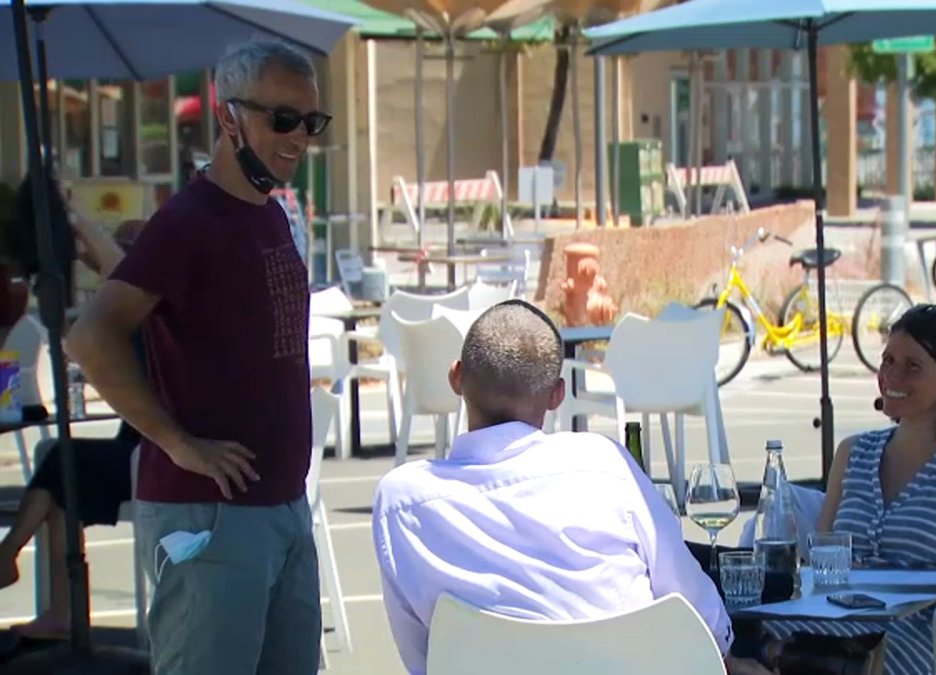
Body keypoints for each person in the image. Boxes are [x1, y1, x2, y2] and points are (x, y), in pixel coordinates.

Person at [65, 37, 328, 675]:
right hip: (210, 516)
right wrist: (178, 442)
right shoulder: (189, 220)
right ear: (228, 116)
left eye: (310, 122)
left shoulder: (268, 212)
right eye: (282, 119)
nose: (298, 137)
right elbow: (90, 338)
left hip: (282, 508)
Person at [372, 300, 764, 675]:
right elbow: (695, 608)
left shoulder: (401, 500)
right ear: (558, 394)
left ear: (456, 376)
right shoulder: (603, 463)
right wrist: (728, 653)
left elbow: (424, 660)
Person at [762, 304, 936, 675]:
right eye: (888, 360)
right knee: (725, 635)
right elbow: (820, 559)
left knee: (783, 656)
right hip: (832, 628)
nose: (892, 375)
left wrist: (874, 583)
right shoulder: (853, 452)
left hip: (916, 641)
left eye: (912, 366)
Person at [0, 213, 142, 640]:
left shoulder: (148, 309)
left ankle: (9, 552)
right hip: (140, 448)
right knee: (62, 483)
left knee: (63, 457)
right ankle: (60, 612)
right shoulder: (130, 309)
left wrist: (79, 221)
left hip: (156, 457)